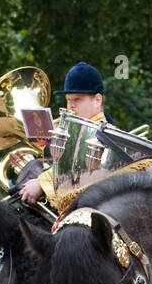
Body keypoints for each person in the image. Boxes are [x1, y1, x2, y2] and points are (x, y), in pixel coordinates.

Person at [19, 62, 113, 210]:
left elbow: (80, 166)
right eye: (68, 100)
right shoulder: (71, 129)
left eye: (77, 99)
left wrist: (41, 183)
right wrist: (28, 159)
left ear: (97, 100)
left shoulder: (105, 132)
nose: (70, 106)